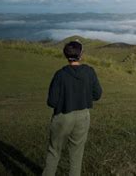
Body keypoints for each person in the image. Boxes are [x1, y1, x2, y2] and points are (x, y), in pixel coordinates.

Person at [42, 40, 102, 176]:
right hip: (83, 117)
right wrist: (83, 98)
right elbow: (97, 95)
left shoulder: (60, 75)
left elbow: (51, 102)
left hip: (62, 116)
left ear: (65, 55)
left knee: (54, 152)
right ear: (81, 55)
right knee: (77, 155)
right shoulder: (89, 72)